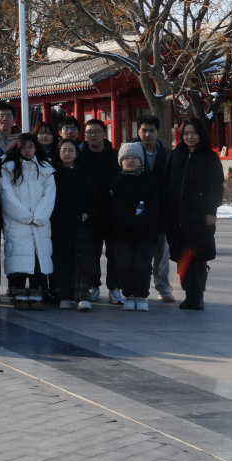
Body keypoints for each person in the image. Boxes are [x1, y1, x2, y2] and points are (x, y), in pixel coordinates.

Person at [163, 117, 224, 310]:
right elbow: (166, 183)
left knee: (198, 258)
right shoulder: (176, 155)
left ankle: (198, 297)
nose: (190, 137)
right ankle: (188, 295)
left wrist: (212, 210)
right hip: (177, 217)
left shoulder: (210, 157)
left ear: (201, 134)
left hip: (200, 217)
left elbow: (217, 186)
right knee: (183, 257)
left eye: (194, 133)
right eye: (186, 133)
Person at [0, 134, 55, 311]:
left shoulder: (46, 168)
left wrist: (39, 216)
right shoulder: (8, 168)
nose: (27, 151)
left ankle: (36, 295)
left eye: (31, 147)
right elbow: (7, 195)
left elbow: (49, 195)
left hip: (40, 223)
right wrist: (25, 216)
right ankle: (19, 295)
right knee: (19, 261)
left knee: (38, 261)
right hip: (17, 223)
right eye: (23, 147)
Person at [109, 142, 160, 313]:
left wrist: (142, 223)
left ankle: (142, 296)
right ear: (120, 161)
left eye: (135, 157)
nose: (130, 161)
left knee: (142, 266)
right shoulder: (115, 182)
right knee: (123, 266)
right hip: (121, 233)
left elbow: (154, 207)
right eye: (126, 158)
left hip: (146, 232)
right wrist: (132, 222)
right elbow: (114, 208)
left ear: (141, 160)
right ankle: (129, 296)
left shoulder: (150, 181)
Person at [50, 139, 97, 310]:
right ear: (58, 153)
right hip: (58, 222)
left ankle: (83, 296)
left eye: (71, 150)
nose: (67, 153)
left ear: (77, 154)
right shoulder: (51, 173)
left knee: (81, 259)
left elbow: (94, 196)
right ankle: (65, 295)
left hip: (80, 223)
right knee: (62, 260)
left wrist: (87, 213)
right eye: (63, 150)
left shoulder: (84, 172)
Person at [131, 115, 174, 302]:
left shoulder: (166, 153)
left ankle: (163, 288)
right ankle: (136, 289)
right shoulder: (130, 152)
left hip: (161, 210)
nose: (147, 134)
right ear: (138, 131)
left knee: (162, 252)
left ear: (158, 132)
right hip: (137, 210)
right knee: (139, 252)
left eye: (151, 131)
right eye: (144, 130)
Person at [78, 118, 121, 303]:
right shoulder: (80, 157)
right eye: (89, 132)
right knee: (91, 253)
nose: (93, 135)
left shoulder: (116, 156)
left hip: (112, 213)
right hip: (89, 214)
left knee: (114, 254)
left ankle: (115, 288)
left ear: (105, 134)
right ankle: (93, 286)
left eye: (97, 132)